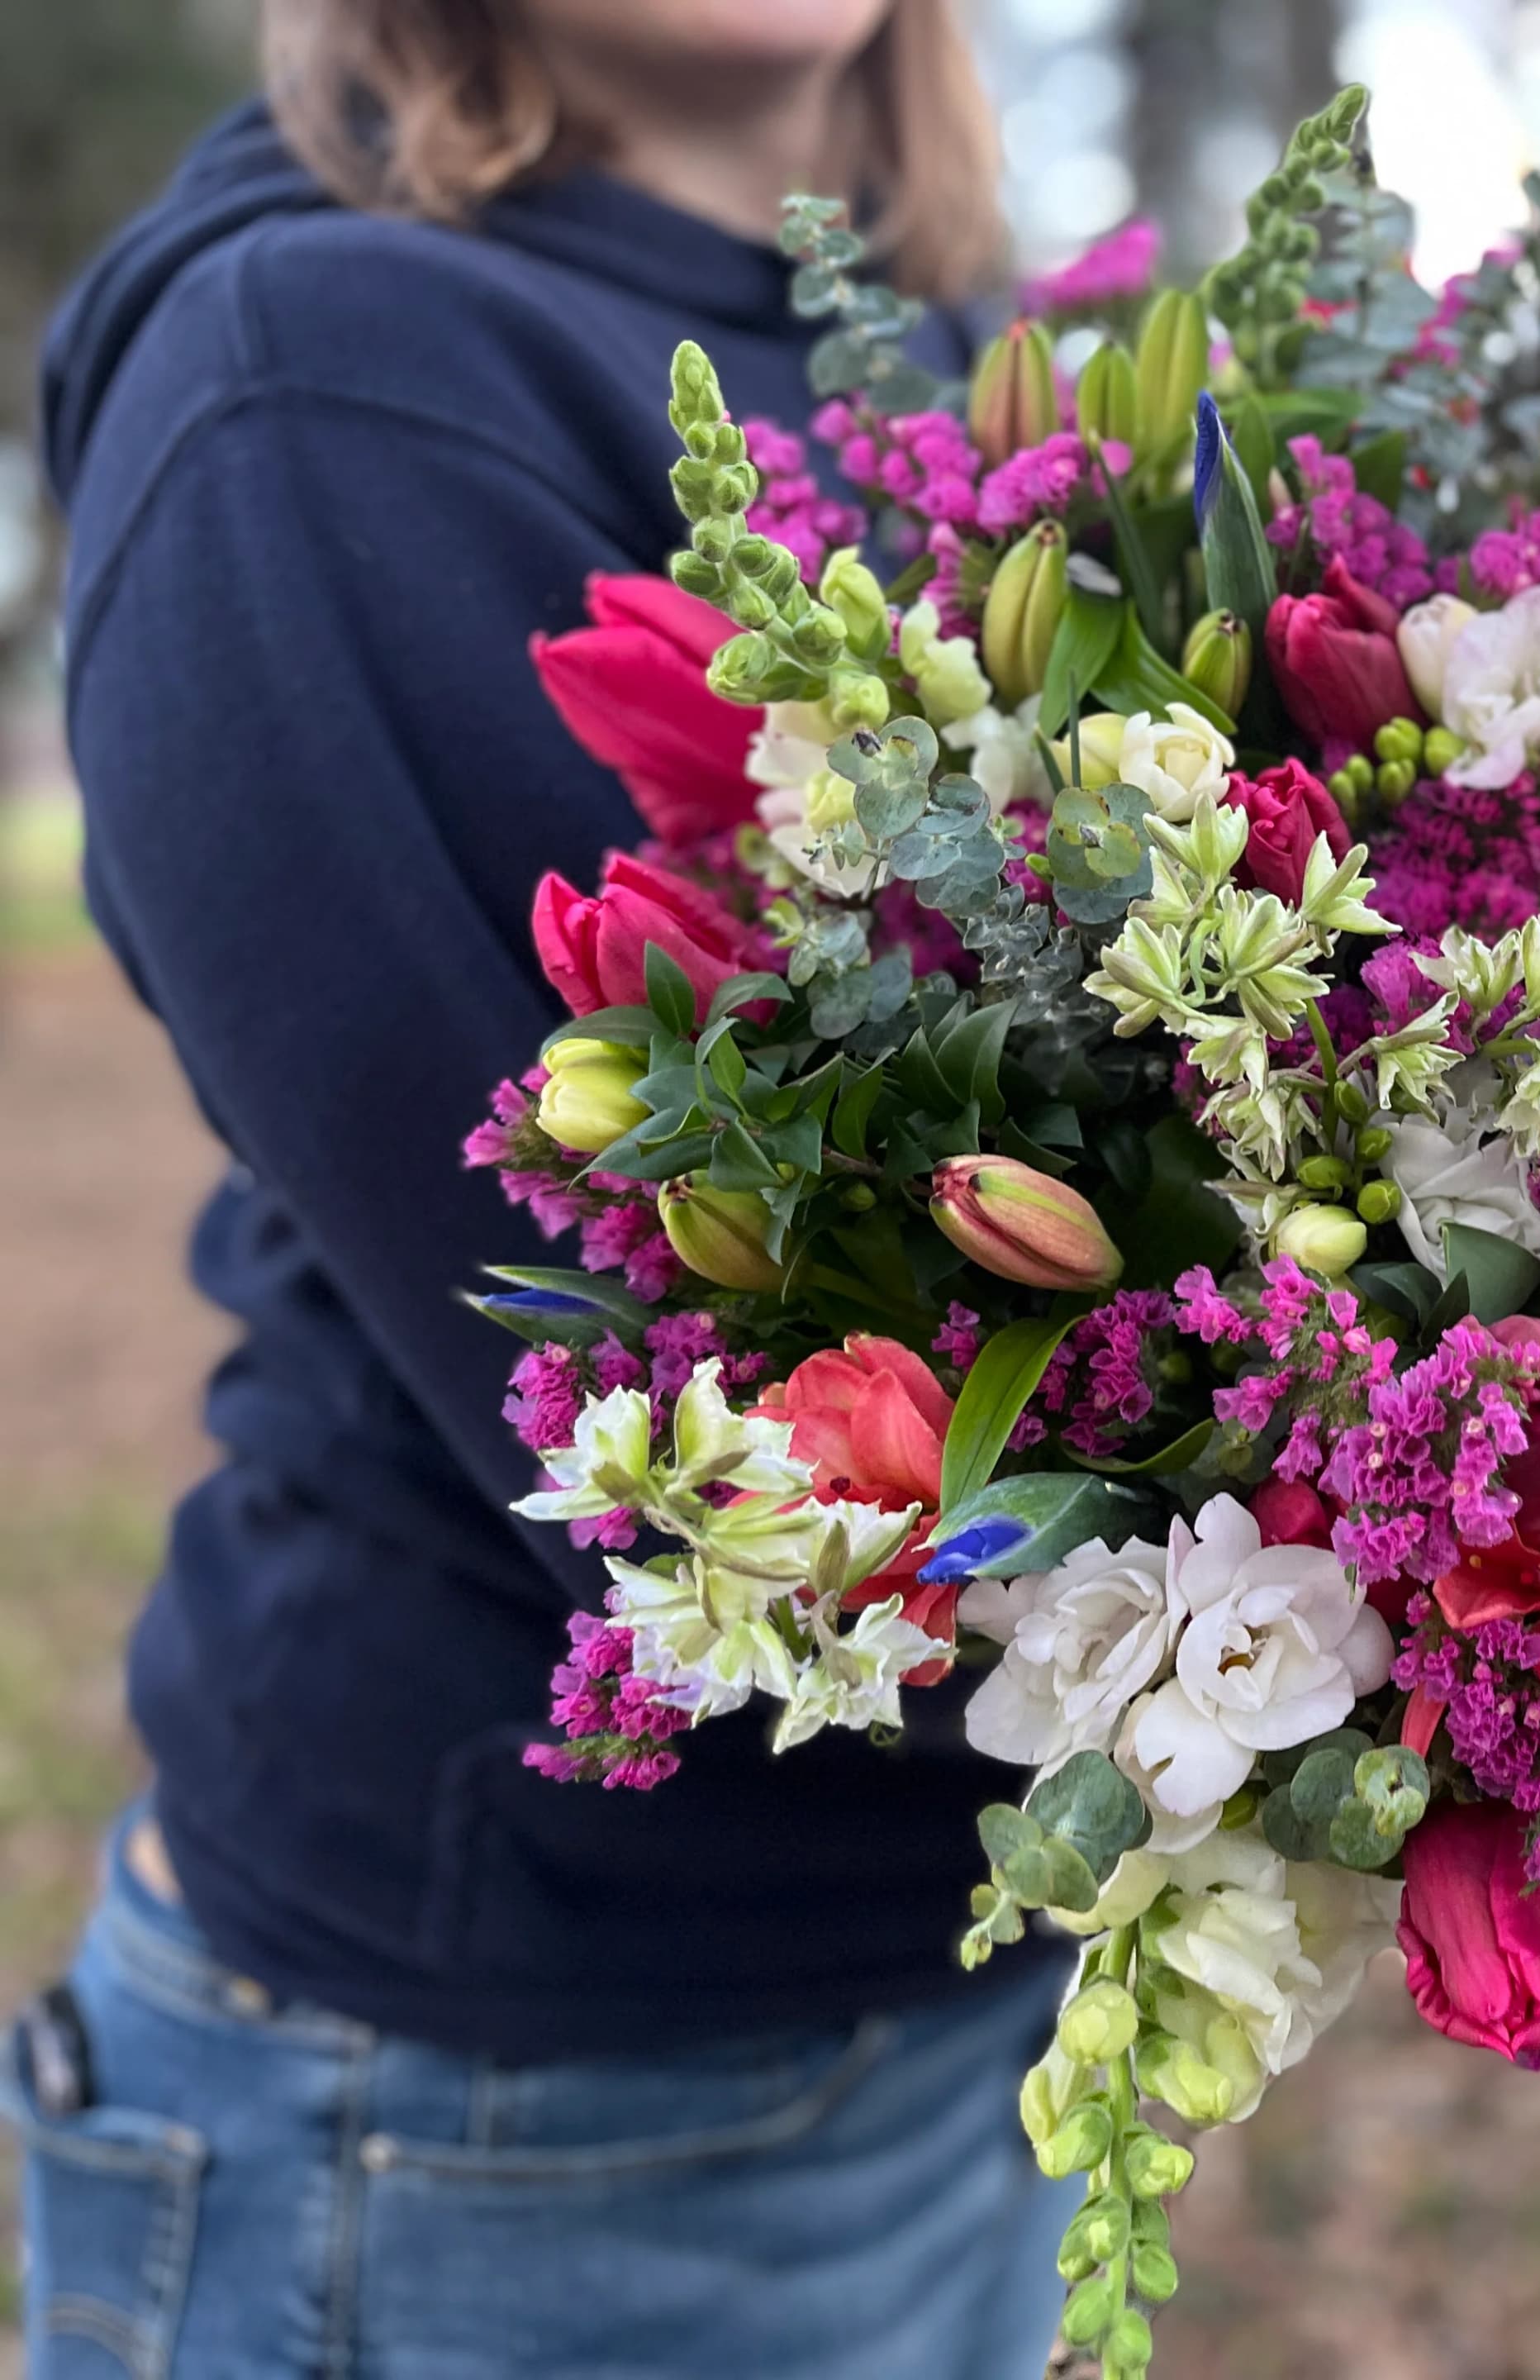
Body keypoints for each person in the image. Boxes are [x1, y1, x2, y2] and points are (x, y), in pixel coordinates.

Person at [17, 5, 1078, 2372]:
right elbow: (677, 1401)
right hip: (501, 2095)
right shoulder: (318, 379)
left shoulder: (968, 367)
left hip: (969, 1968)